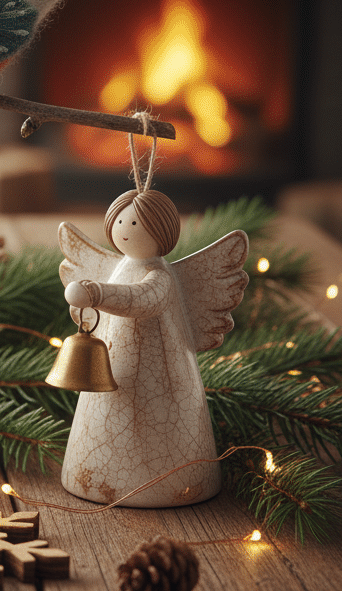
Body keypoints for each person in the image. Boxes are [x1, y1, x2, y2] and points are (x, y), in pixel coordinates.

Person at [57, 188, 248, 507]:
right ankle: (91, 473)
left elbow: (145, 299)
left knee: (156, 417)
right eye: (120, 221)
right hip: (115, 364)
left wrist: (97, 292)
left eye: (134, 224)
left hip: (162, 369)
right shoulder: (122, 265)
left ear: (161, 230)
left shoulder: (160, 275)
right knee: (105, 411)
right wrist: (97, 292)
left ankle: (171, 482)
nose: (124, 230)